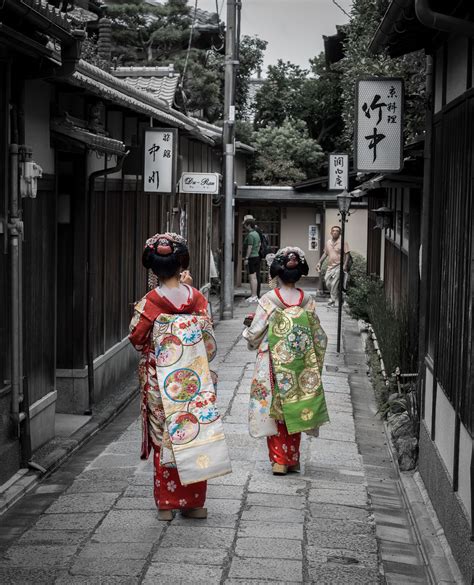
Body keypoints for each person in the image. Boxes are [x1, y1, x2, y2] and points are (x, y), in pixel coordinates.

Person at [129, 232, 231, 521]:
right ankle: (194, 503)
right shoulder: (196, 298)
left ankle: (166, 505)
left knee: (164, 437)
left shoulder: (150, 302)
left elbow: (137, 339)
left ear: (152, 268)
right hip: (194, 379)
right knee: (193, 431)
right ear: (181, 264)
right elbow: (209, 345)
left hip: (160, 379)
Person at [242, 246, 329, 475]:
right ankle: (293, 458)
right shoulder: (307, 300)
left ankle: (279, 459)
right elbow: (318, 334)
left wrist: (249, 335)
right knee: (297, 405)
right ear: (300, 273)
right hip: (300, 362)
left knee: (275, 407)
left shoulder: (270, 299)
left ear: (276, 273)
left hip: (274, 359)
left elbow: (255, 333)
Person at [316, 225, 350, 307]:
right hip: (330, 267)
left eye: (337, 231)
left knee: (334, 283)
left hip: (339, 266)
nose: (335, 232)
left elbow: (347, 254)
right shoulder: (328, 242)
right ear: (331, 232)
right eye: (333, 231)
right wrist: (319, 262)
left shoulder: (343, 242)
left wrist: (345, 265)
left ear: (340, 232)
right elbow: (325, 253)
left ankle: (334, 301)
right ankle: (339, 298)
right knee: (328, 283)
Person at [242, 215, 261, 303]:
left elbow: (249, 247)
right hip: (256, 256)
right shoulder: (256, 233)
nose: (244, 226)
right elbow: (259, 244)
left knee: (252, 277)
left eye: (245, 225)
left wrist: (246, 258)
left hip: (251, 258)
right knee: (255, 277)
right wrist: (256, 251)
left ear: (249, 225)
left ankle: (253, 295)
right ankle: (255, 295)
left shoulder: (250, 235)